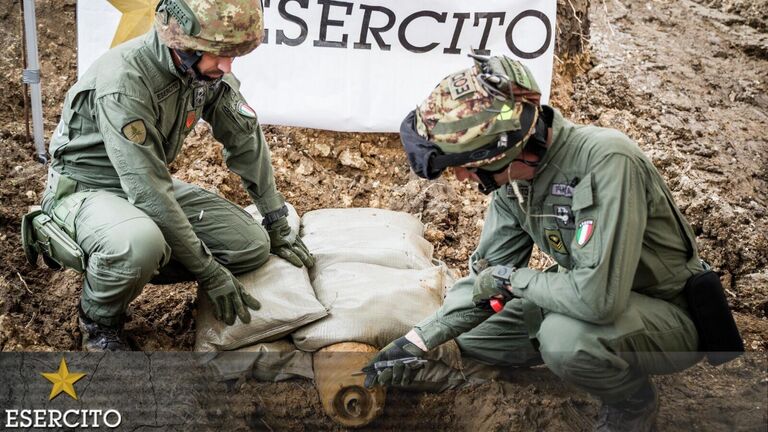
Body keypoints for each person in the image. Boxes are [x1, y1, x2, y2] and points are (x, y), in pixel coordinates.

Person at [362, 55, 730, 431]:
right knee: (469, 338)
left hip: (669, 314)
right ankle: (576, 362)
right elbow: (487, 279)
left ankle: (632, 402)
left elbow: (597, 300)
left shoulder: (607, 161)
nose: (457, 177)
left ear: (498, 152)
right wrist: (420, 340)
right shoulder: (513, 182)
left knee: (564, 339)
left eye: (461, 164)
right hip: (585, 297)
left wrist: (513, 280)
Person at [28, 0, 313, 351]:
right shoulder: (125, 81)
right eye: (218, 55)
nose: (226, 66)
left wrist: (275, 219)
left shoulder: (202, 71)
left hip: (145, 182)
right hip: (87, 191)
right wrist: (208, 271)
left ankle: (135, 261)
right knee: (138, 244)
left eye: (232, 56)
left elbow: (244, 140)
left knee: (251, 247)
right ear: (182, 44)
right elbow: (148, 191)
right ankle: (99, 320)